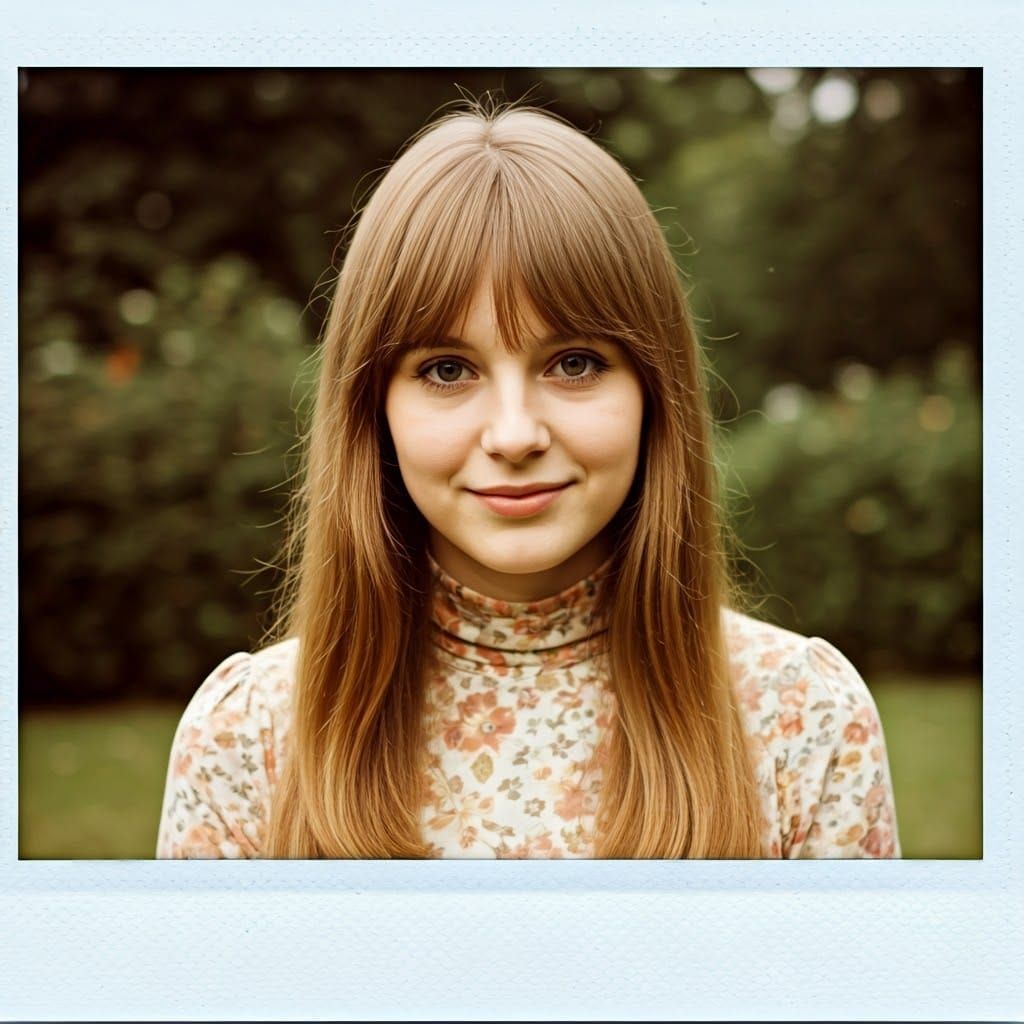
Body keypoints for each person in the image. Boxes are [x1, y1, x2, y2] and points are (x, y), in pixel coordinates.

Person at [156, 101, 900, 860]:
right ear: (372, 408)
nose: (514, 435)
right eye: (448, 370)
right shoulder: (247, 738)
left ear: (656, 390)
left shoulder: (803, 719)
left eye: (573, 363)